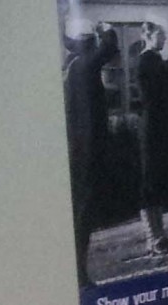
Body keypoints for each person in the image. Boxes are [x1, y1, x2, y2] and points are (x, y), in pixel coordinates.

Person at [62, 17, 119, 288]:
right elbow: (108, 48)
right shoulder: (83, 65)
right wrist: (106, 29)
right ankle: (78, 272)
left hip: (75, 147)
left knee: (79, 212)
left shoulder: (71, 65)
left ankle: (77, 271)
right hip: (84, 150)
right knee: (82, 213)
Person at [136, 18, 168, 255]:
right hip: (151, 128)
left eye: (165, 36)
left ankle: (160, 235)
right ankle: (152, 238)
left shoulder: (152, 60)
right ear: (149, 36)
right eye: (160, 35)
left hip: (159, 127)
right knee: (150, 184)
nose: (163, 39)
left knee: (158, 181)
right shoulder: (146, 60)